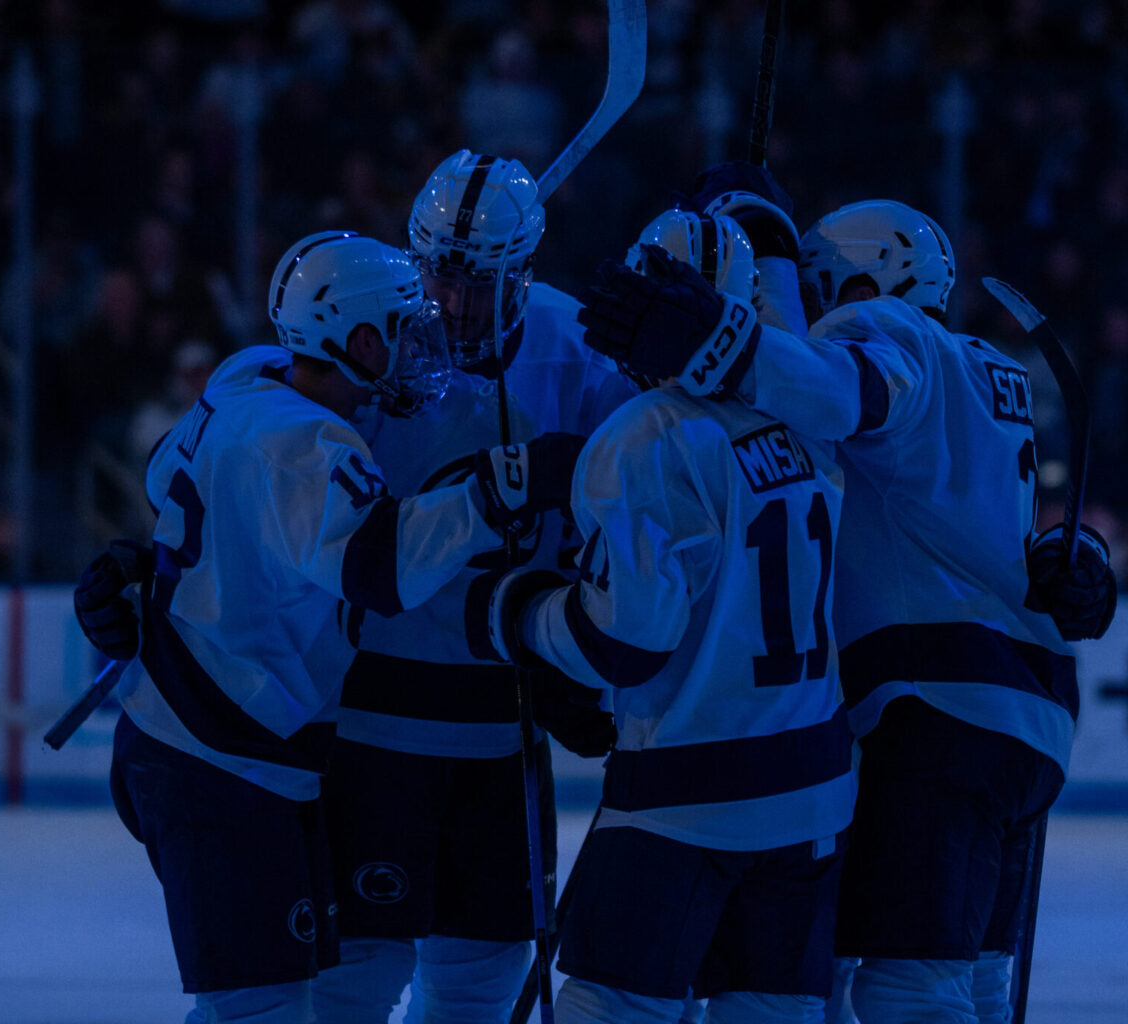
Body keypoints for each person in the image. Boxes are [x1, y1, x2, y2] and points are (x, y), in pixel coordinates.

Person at [578, 170, 1116, 1024]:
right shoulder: (993, 371)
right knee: (972, 981)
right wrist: (1079, 552)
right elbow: (992, 535)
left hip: (931, 714)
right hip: (1030, 718)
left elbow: (831, 395)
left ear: (865, 283)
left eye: (821, 286)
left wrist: (724, 334)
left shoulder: (883, 324)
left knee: (909, 991)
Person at [74, 230, 583, 1024]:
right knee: (263, 1010)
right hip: (218, 753)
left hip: (209, 740)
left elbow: (163, 478)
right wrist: (505, 483)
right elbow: (384, 569)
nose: (427, 347)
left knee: (265, 1004)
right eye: (406, 332)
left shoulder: (246, 378)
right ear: (359, 341)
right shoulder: (310, 443)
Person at [470, 229, 853, 1024]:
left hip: (686, 790)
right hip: (814, 788)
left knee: (609, 1009)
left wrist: (520, 614)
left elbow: (627, 641)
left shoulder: (643, 435)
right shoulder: (812, 417)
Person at [310, 150, 634, 1024]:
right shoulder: (364, 341)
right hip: (373, 724)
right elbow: (270, 443)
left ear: (523, 271)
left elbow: (635, 522)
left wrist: (586, 659)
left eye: (478, 284)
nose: (451, 306)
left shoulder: (585, 357)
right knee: (353, 981)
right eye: (438, 278)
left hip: (506, 727)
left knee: (482, 986)